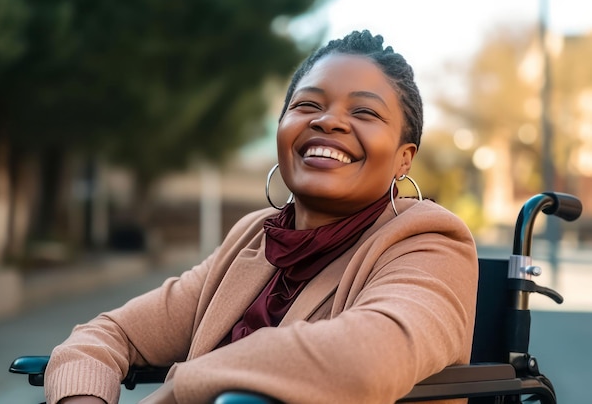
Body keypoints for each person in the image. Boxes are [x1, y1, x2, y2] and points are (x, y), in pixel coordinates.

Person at [45, 30, 478, 404]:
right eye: (308, 105)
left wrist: (181, 390)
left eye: (363, 112)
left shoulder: (429, 242)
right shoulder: (253, 238)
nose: (328, 122)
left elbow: (369, 358)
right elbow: (108, 334)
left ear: (405, 159)